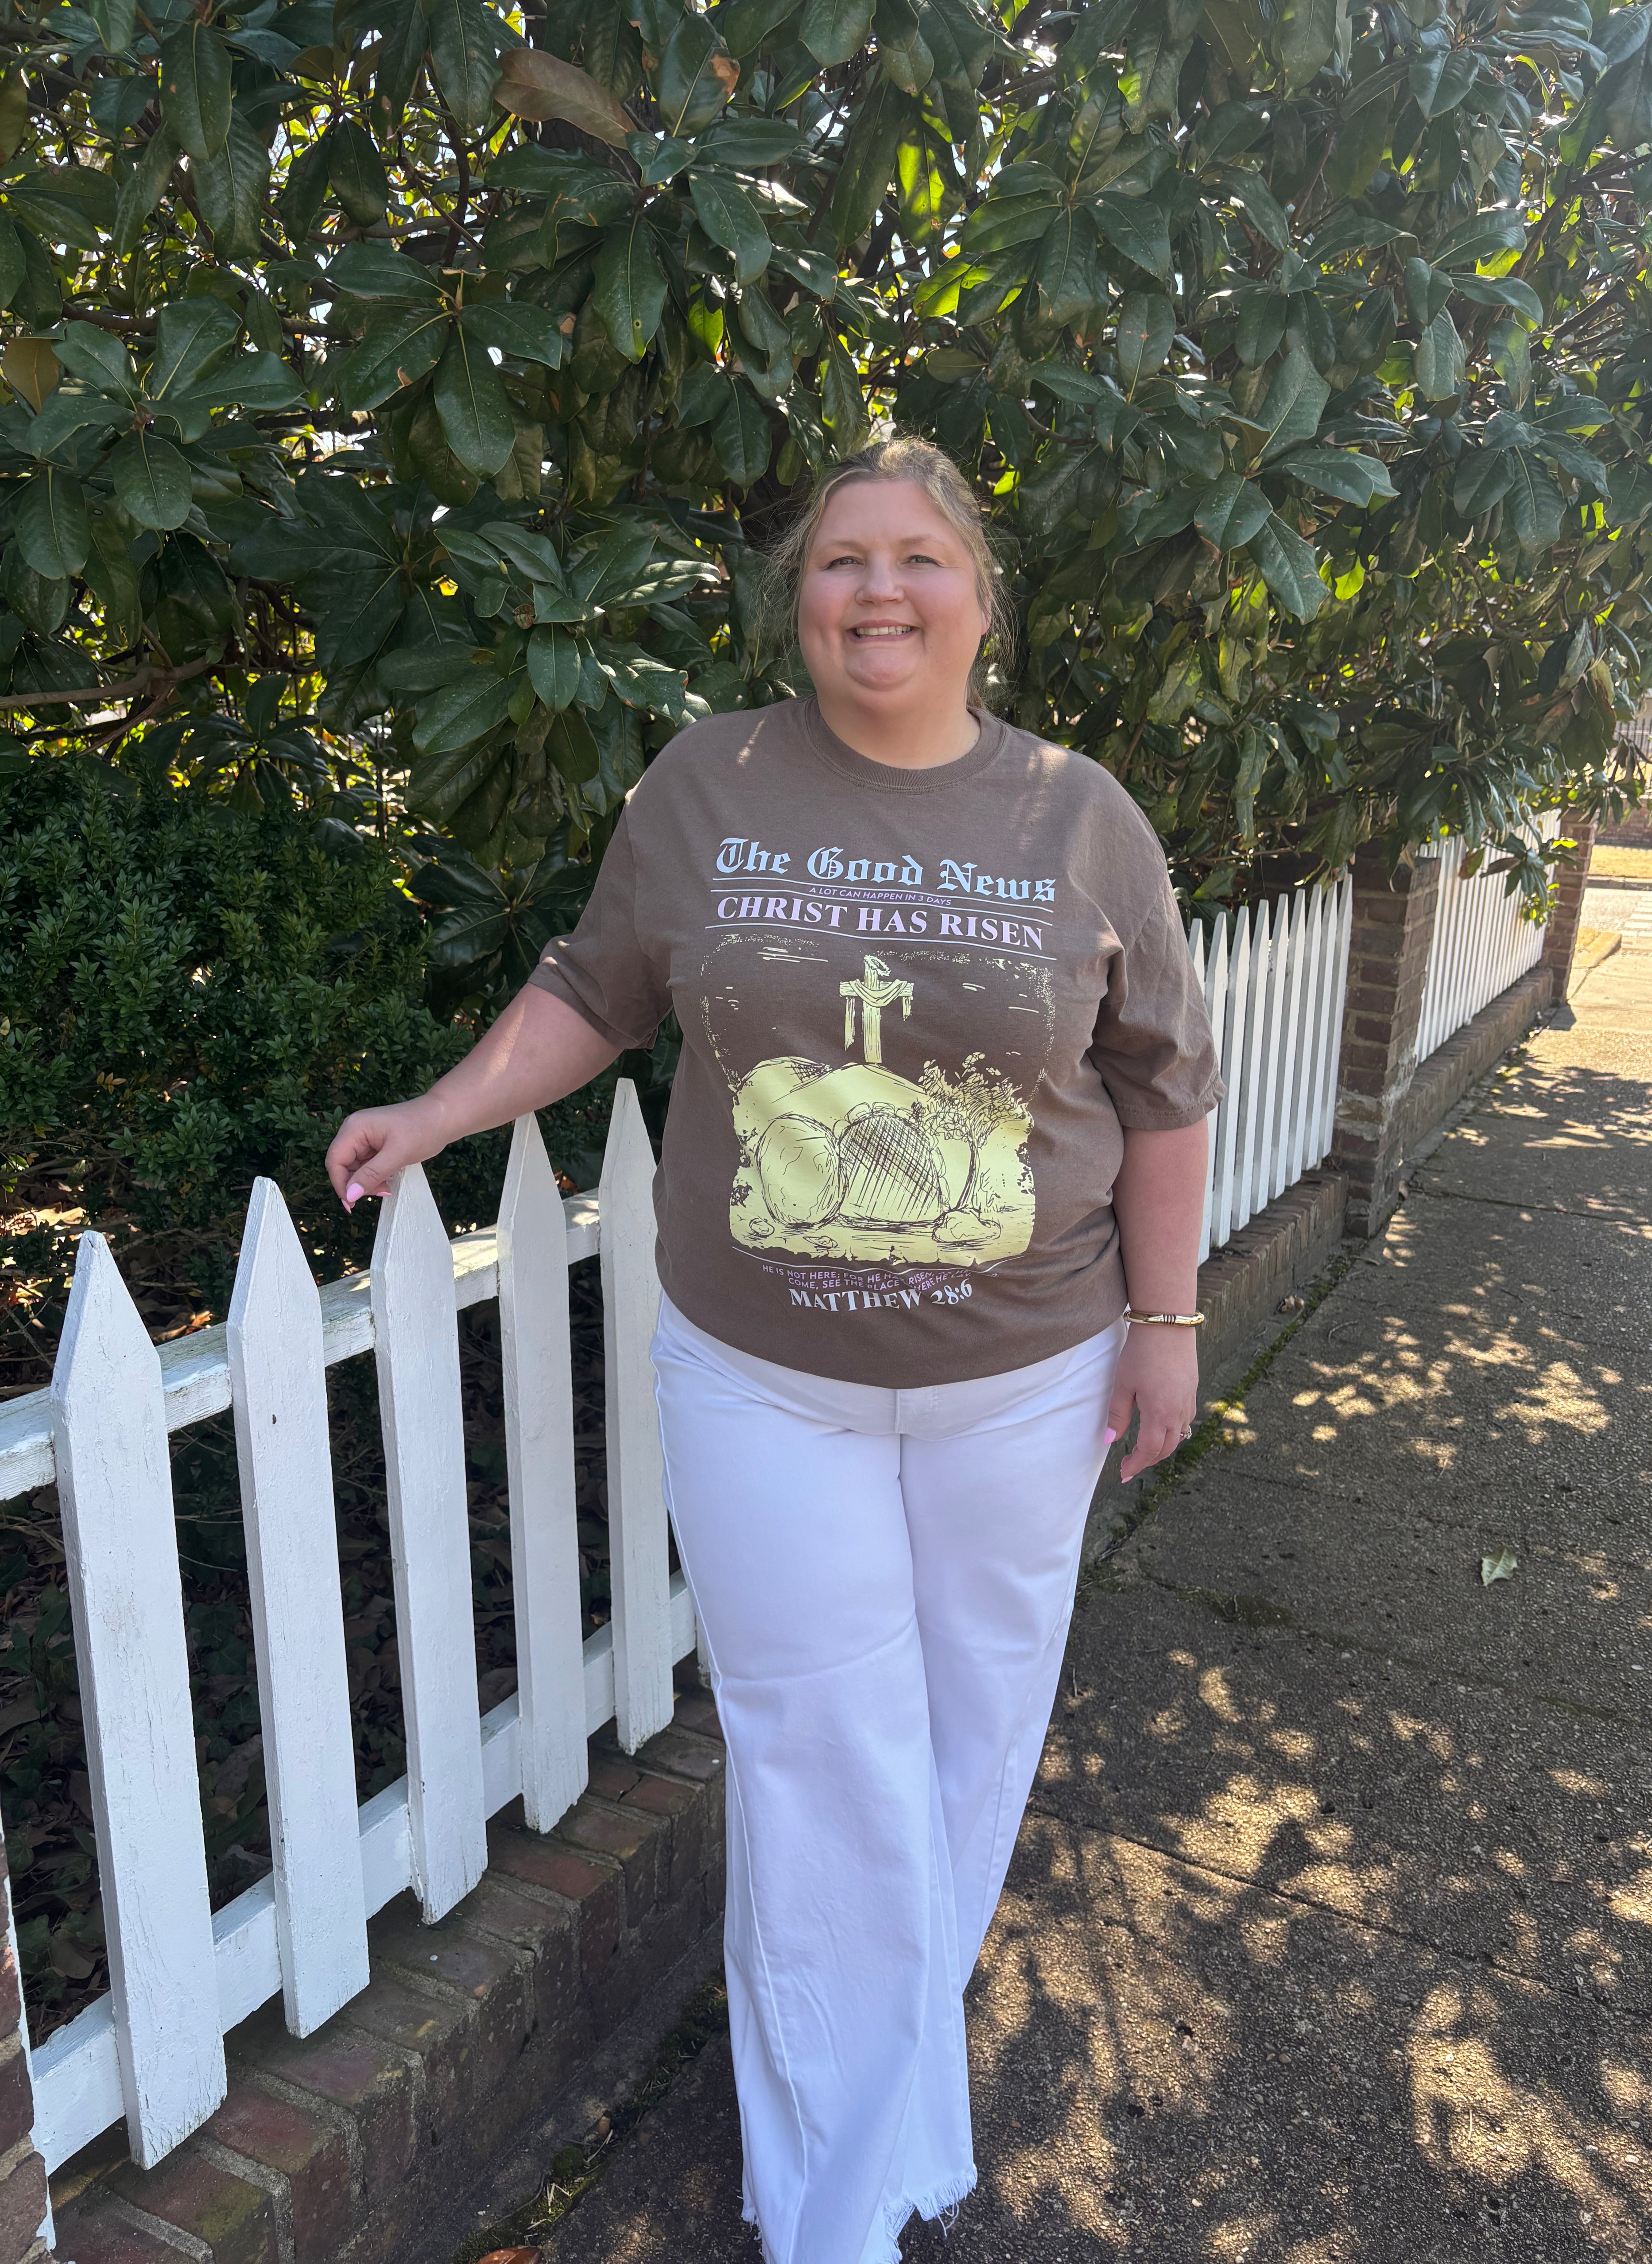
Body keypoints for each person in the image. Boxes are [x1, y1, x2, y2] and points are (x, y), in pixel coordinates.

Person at [325, 434, 1224, 2264]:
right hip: (766, 1381)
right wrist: (443, 1104)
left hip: (1026, 1378)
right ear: (796, 597)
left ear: (980, 595)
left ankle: (874, 2120)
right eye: (839, 561)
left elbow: (1161, 1089)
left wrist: (1168, 1325)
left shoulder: (1079, 813)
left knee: (970, 1744)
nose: (877, 590)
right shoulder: (710, 782)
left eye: (915, 559)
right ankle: (833, 2205)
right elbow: (593, 988)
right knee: (827, 1758)